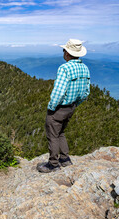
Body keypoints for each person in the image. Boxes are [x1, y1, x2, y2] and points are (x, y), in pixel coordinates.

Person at [37, 39, 90, 173]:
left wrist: (51, 106)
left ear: (67, 53)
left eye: (64, 50)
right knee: (61, 132)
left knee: (53, 135)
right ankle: (65, 159)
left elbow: (59, 92)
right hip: (71, 107)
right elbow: (86, 92)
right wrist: (75, 104)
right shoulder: (85, 68)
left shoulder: (64, 68)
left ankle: (53, 164)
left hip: (59, 108)